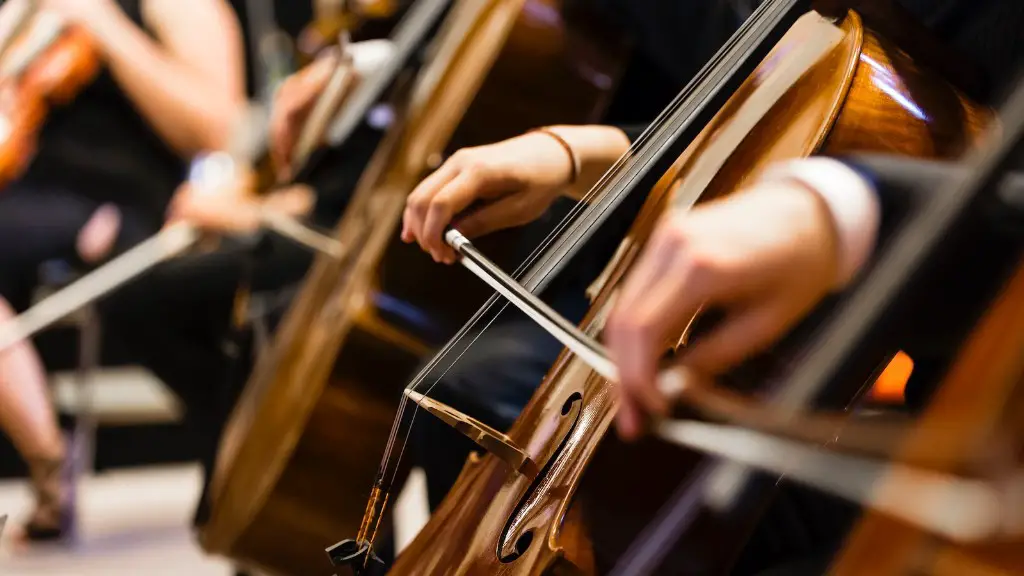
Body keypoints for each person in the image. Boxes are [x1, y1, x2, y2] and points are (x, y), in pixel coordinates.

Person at [398, 0, 1024, 573]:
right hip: (780, 375)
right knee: (466, 396)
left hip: (949, 443)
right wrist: (591, 154)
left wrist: (851, 210)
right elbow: (769, 111)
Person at [0, 0, 246, 542]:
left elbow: (217, 126)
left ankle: (49, 463)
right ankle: (49, 459)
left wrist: (105, 24)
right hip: (22, 198)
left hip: (123, 208)